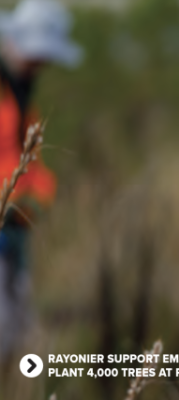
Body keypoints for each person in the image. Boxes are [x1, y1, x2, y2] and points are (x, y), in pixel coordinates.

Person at [0, 0, 78, 363]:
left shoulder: (20, 95)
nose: (40, 64)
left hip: (15, 231)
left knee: (18, 330)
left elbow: (32, 165)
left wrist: (37, 200)